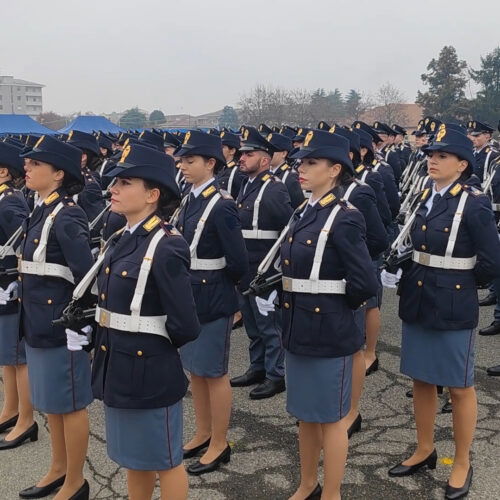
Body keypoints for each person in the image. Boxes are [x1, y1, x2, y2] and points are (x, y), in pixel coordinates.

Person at [75, 143, 201, 500]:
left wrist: (151, 344)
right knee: (134, 458)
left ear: (152, 195)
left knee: (164, 459)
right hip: (118, 364)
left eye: (125, 182)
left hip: (149, 370)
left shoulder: (166, 245)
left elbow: (185, 325)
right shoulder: (120, 238)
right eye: (115, 181)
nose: (112, 189)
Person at [382, 126, 500, 499]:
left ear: (462, 164)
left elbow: (491, 261)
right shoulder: (425, 196)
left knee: (460, 386)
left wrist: (457, 281)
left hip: (451, 300)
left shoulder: (473, 201)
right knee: (421, 379)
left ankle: (462, 461)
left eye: (442, 155)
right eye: (431, 153)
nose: (432, 159)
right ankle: (424, 448)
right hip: (418, 297)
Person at [273, 130, 378, 499]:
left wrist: (331, 309)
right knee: (305, 415)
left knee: (331, 420)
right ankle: (307, 484)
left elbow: (364, 283)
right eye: (301, 162)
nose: (301, 168)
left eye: (311, 163)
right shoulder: (304, 210)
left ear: (335, 170)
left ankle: (331, 492)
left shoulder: (344, 216)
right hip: (298, 327)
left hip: (329, 331)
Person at [18, 135, 94, 500]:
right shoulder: (40, 208)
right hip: (37, 323)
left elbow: (85, 276)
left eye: (36, 164)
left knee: (70, 404)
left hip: (62, 328)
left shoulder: (68, 214)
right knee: (52, 404)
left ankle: (76, 481)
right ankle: (59, 469)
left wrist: (83, 324)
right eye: (28, 163)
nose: (27, 168)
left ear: (59, 173)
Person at [173, 130, 248, 475]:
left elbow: (238, 262)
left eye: (190, 160)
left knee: (214, 373)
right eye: (182, 160)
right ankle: (203, 432)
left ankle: (220, 442)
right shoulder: (190, 198)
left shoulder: (223, 205)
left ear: (211, 163)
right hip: (189, 295)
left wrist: (231, 299)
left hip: (213, 295)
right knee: (196, 372)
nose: (183, 165)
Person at [230, 127, 293, 400]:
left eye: (249, 154)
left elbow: (288, 231)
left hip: (265, 272)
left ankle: (276, 374)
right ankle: (257, 367)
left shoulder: (274, 189)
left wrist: (277, 271)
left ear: (265, 159)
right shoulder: (247, 185)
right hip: (246, 270)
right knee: (254, 326)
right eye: (241, 153)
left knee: (270, 326)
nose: (241, 158)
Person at [0, 142, 34, 451]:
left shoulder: (9, 203)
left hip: (9, 288)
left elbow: (27, 246)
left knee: (18, 358)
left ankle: (26, 420)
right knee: (6, 358)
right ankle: (10, 409)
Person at [267, 132, 305, 209]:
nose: (268, 154)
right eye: (267, 150)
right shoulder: (267, 172)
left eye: (272, 151)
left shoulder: (290, 177)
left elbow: (297, 208)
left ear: (284, 153)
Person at [217, 130, 245, 199]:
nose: (219, 149)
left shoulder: (237, 171)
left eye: (223, 147)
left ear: (232, 151)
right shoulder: (221, 167)